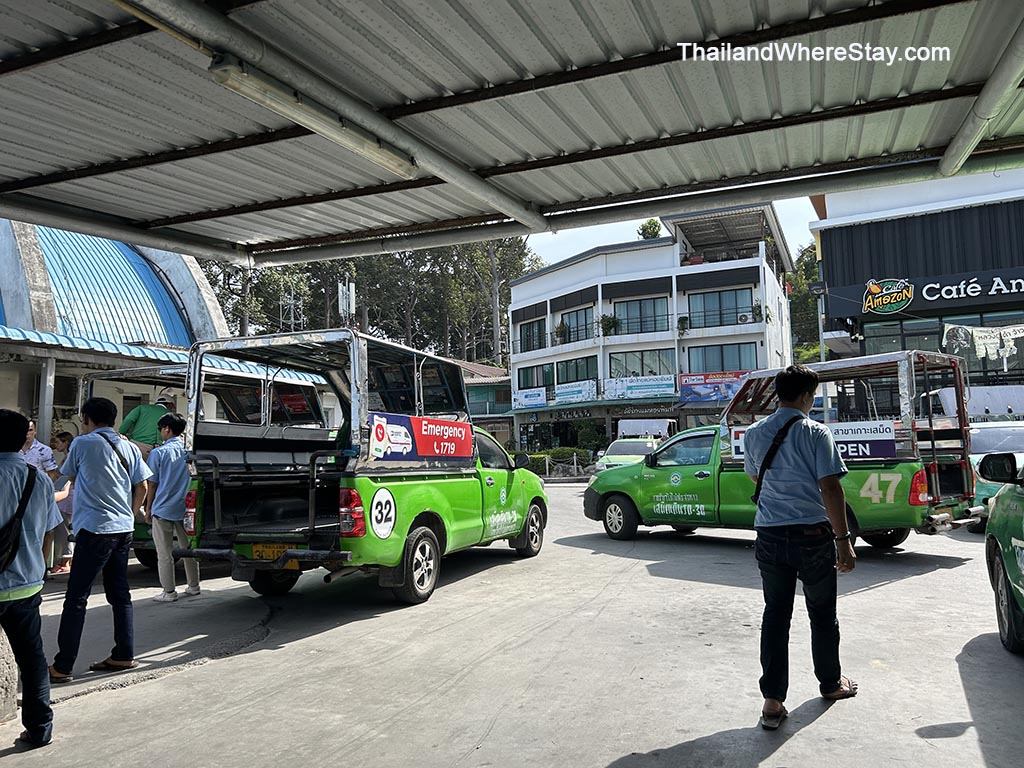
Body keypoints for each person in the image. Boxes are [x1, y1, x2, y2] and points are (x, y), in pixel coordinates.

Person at [742, 365, 857, 730]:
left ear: (779, 393)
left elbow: (754, 475)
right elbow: (831, 489)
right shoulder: (816, 432)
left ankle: (773, 701)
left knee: (775, 615)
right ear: (808, 396)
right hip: (812, 537)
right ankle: (830, 683)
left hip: (770, 535)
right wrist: (843, 541)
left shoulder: (755, 433)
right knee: (822, 613)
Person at [49, 397, 151, 684]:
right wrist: (130, 516)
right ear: (114, 418)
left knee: (76, 598)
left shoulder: (82, 443)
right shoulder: (129, 446)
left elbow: (62, 477)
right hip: (122, 530)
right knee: (120, 595)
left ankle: (63, 665)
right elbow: (141, 486)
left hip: (95, 530)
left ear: (86, 418)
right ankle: (123, 654)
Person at [0, 409, 62, 749]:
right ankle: (39, 728)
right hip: (26, 583)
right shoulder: (36, 479)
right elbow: (46, 533)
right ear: (25, 437)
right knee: (33, 659)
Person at [144, 413, 199, 602]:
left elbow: (152, 484)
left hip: (163, 507)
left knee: (164, 553)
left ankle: (169, 591)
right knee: (189, 549)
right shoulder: (189, 451)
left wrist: (148, 508)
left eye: (161, 429)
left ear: (167, 429)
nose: (161, 433)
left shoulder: (158, 453)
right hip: (186, 506)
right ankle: (194, 585)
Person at [119, 394, 175, 461]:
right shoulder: (170, 415)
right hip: (157, 450)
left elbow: (129, 420)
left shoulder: (141, 408)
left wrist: (121, 434)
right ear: (170, 405)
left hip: (135, 446)